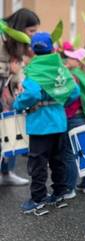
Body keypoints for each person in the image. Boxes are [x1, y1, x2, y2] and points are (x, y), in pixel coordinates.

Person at [13, 32, 80, 214]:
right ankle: (59, 193)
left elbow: (32, 94)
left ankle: (38, 198)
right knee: (58, 161)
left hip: (40, 124)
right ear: (51, 47)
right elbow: (74, 91)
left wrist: (17, 104)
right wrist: (61, 103)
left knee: (38, 163)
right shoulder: (59, 66)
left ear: (32, 49)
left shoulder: (33, 69)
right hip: (59, 122)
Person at [0, 8, 40, 186]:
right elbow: (10, 67)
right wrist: (10, 70)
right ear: (20, 27)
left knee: (11, 129)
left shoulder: (18, 44)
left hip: (8, 93)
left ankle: (7, 172)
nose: (33, 35)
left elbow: (17, 68)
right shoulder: (2, 38)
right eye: (31, 31)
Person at [63, 48, 85, 199]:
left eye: (71, 58)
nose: (67, 60)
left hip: (73, 117)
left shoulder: (72, 75)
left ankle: (69, 189)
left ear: (79, 62)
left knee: (70, 154)